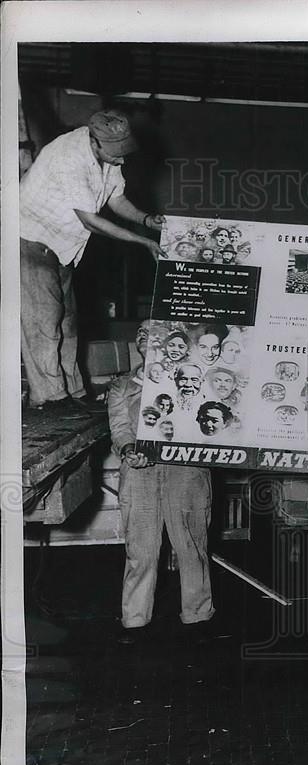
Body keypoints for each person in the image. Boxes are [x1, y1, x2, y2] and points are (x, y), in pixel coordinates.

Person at [20, 109, 165, 410]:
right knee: (44, 321)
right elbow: (91, 221)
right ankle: (48, 396)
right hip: (29, 238)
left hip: (63, 245)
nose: (122, 160)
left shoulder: (106, 155)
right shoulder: (68, 157)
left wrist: (147, 219)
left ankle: (72, 391)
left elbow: (117, 199)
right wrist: (141, 241)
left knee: (68, 321)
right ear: (94, 141)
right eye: (116, 154)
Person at [107, 323, 216, 644]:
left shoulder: (197, 377)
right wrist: (129, 450)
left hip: (186, 469)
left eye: (153, 331)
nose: (145, 336)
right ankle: (135, 620)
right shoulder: (122, 385)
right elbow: (120, 428)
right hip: (139, 471)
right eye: (139, 332)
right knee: (140, 548)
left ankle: (198, 616)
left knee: (191, 545)